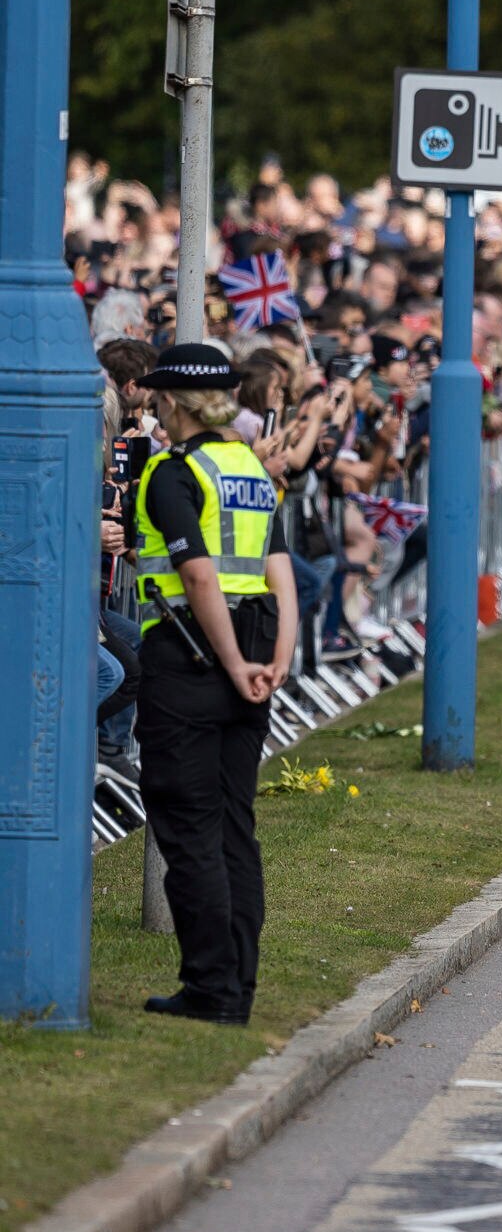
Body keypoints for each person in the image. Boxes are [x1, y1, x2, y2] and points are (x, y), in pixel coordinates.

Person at [132, 342, 299, 1025]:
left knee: (190, 823)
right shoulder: (251, 471)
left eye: (155, 400)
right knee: (235, 825)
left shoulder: (174, 471)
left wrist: (230, 660)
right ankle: (240, 984)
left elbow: (197, 574)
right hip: (256, 651)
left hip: (192, 658)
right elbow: (279, 567)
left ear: (171, 402)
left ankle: (211, 989)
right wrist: (277, 656)